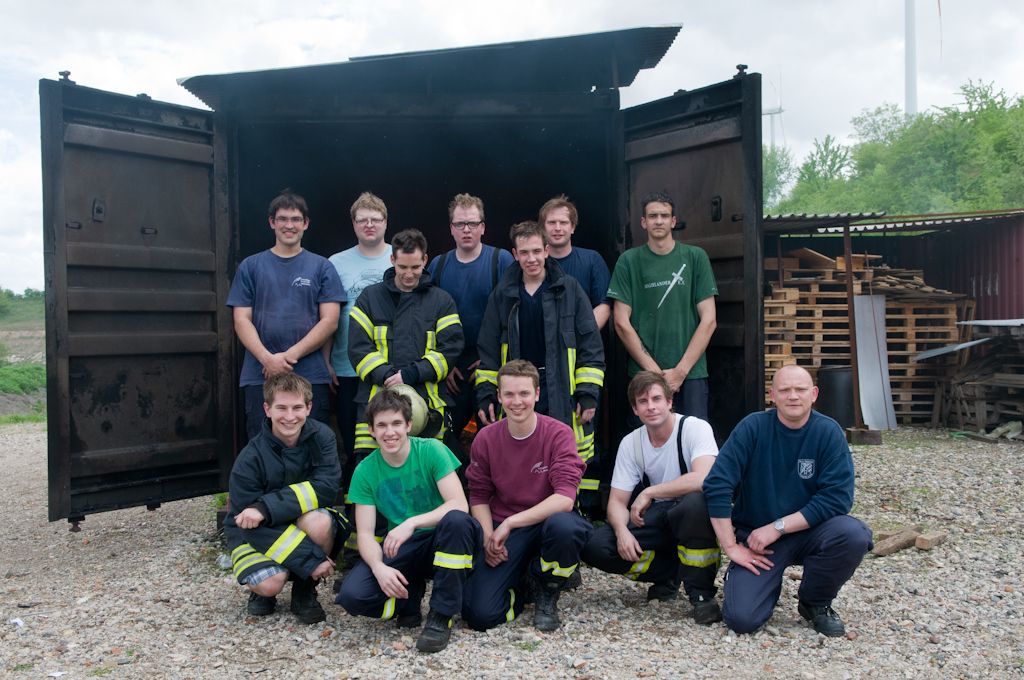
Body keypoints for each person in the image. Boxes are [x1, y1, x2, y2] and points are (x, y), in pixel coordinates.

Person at [702, 364, 873, 636]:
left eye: (800, 389)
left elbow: (837, 498)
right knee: (741, 620)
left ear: (814, 394)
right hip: (758, 541)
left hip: (809, 533)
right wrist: (731, 546)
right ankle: (757, 584)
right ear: (772, 395)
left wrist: (777, 527)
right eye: (785, 390)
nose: (793, 396)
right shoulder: (752, 428)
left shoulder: (828, 433)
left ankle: (815, 602)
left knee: (853, 534)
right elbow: (717, 485)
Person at [336, 388, 481, 653]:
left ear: (409, 425)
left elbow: (459, 505)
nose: (389, 432)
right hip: (406, 546)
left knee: (458, 522)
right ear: (371, 430)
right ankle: (408, 597)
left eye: (396, 424)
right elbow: (366, 534)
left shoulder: (432, 450)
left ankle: (441, 615)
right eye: (381, 425)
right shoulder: (365, 470)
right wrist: (380, 568)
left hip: (444, 538)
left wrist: (411, 523)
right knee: (352, 595)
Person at [581, 371, 722, 624]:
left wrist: (649, 491)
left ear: (669, 402)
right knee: (596, 546)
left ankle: (701, 594)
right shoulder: (631, 443)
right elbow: (616, 502)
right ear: (635, 409)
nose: (651, 406)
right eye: (643, 402)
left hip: (693, 516)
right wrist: (622, 531)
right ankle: (670, 572)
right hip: (660, 517)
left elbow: (704, 479)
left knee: (693, 505)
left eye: (657, 399)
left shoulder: (694, 428)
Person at [463, 360, 593, 632]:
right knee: (480, 616)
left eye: (524, 393)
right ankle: (522, 586)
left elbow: (565, 498)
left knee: (566, 526)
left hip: (546, 523)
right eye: (508, 394)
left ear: (537, 394)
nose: (516, 401)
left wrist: (511, 522)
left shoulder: (559, 433)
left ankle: (548, 588)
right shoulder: (485, 439)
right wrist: (488, 537)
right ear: (499, 396)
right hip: (504, 530)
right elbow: (479, 495)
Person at [475, 220, 605, 467]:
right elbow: (489, 350)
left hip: (561, 387)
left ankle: (571, 505)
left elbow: (590, 345)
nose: (531, 258)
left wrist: (588, 391)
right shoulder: (502, 295)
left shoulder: (570, 290)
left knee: (567, 453)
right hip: (519, 389)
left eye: (536, 251)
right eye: (524, 252)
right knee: (521, 454)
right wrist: (485, 393)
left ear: (547, 250)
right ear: (515, 254)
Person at [224, 373, 348, 625]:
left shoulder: (322, 437)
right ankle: (261, 591)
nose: (290, 417)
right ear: (267, 409)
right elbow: (245, 524)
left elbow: (325, 488)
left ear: (309, 408)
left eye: (297, 407)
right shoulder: (250, 458)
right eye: (281, 408)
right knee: (270, 583)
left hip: (294, 522)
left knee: (320, 521)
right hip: (256, 533)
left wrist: (264, 508)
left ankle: (304, 591)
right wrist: (310, 560)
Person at [227, 190, 345, 441]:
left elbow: (330, 320)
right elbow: (241, 319)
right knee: (263, 448)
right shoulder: (250, 266)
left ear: (306, 223)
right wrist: (267, 359)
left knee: (313, 447)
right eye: (282, 219)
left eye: (295, 219)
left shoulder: (322, 267)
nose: (289, 225)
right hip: (260, 376)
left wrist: (289, 357)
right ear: (272, 222)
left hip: (310, 374)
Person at [348, 228, 464, 462]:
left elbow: (450, 348)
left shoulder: (441, 301)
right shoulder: (369, 299)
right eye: (402, 267)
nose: (409, 274)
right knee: (375, 477)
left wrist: (411, 374)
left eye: (415, 267)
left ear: (425, 260)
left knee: (428, 472)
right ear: (392, 260)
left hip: (427, 406)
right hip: (377, 403)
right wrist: (389, 377)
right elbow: (358, 349)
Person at [607, 191, 717, 422]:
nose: (658, 220)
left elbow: (709, 320)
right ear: (643, 222)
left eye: (664, 215)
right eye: (653, 215)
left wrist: (680, 371)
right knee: (648, 445)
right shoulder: (629, 261)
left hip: (691, 373)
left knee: (693, 442)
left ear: (673, 221)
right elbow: (621, 322)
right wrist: (655, 373)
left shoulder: (695, 257)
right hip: (644, 374)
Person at [427, 193, 514, 449]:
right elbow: (427, 319)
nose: (467, 229)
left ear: (483, 228)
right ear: (451, 229)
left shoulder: (501, 261)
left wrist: (492, 361)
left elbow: (511, 318)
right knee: (446, 437)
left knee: (494, 437)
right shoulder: (438, 266)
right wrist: (444, 362)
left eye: (473, 224)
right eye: (460, 224)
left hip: (490, 361)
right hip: (450, 366)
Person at [326, 191, 393, 485]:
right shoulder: (335, 263)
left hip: (388, 368)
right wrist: (326, 360)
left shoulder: (398, 258)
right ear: (353, 224)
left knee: (388, 436)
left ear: (385, 222)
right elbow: (329, 316)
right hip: (346, 366)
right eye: (362, 220)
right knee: (353, 437)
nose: (369, 225)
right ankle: (357, 503)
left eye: (375, 219)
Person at [539, 195, 612, 330]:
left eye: (563, 222)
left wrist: (582, 336)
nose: (557, 228)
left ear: (573, 227)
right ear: (543, 228)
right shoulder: (534, 264)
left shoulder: (592, 260)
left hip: (584, 346)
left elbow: (605, 304)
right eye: (551, 222)